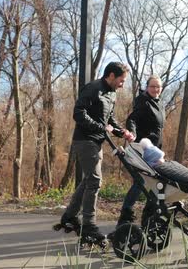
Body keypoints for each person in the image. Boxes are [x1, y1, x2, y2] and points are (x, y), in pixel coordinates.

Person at [59, 62, 135, 242]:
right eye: (121, 80)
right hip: (84, 140)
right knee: (94, 181)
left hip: (96, 141)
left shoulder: (112, 93)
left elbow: (109, 119)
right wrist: (101, 128)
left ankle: (69, 216)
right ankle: (89, 226)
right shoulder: (93, 88)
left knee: (88, 180)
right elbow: (78, 113)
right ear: (110, 75)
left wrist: (121, 131)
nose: (122, 84)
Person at [116, 75, 165, 227]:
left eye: (158, 87)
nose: (156, 89)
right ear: (147, 87)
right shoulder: (143, 101)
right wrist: (133, 133)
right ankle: (126, 213)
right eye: (152, 86)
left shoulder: (159, 103)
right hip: (143, 149)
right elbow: (132, 119)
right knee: (141, 181)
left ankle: (149, 215)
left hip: (155, 149)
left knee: (156, 181)